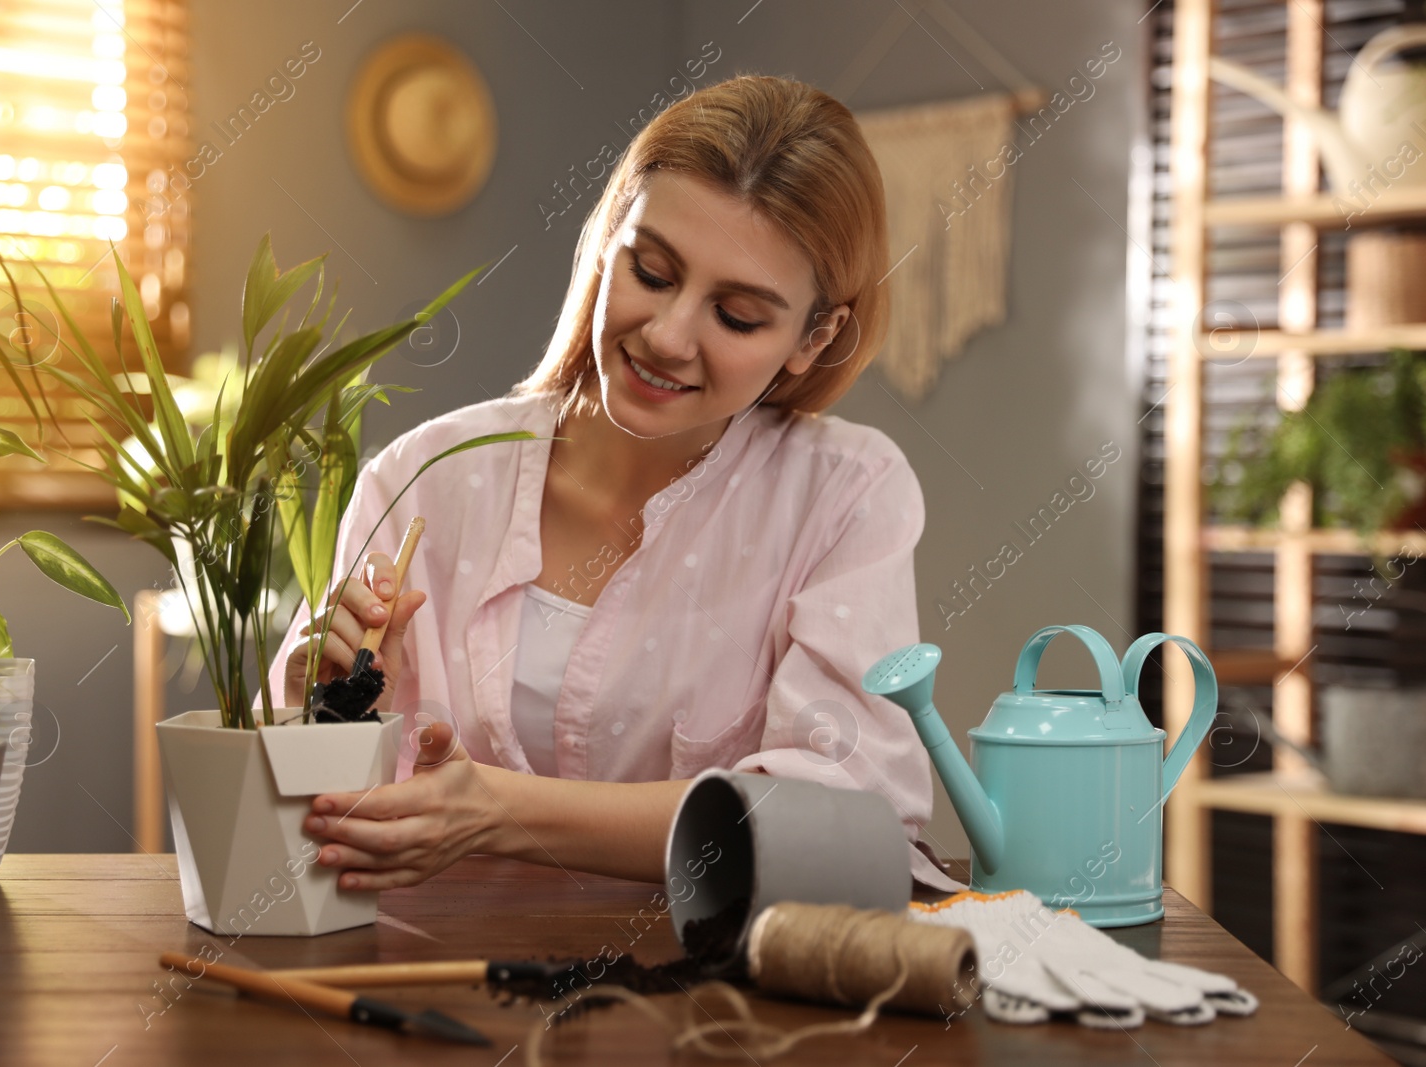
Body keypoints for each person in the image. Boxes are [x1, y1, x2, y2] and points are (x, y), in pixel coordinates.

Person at [269, 73, 959, 895]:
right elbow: (325, 808)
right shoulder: (426, 480)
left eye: (737, 315)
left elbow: (847, 818)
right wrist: (321, 696)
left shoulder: (846, 494)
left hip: (700, 1003)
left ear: (815, 337)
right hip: (425, 982)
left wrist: (498, 809)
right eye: (653, 271)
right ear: (607, 243)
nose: (668, 336)